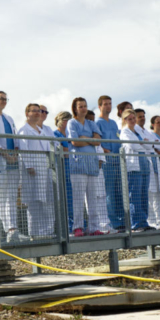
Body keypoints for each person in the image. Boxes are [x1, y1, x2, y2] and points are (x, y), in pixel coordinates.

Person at [67, 97, 110, 236]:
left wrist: (84, 139)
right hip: (78, 165)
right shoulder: (71, 123)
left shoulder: (91, 123)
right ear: (75, 109)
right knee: (78, 198)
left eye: (85, 106)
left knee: (93, 198)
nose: (83, 109)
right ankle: (78, 227)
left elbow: (98, 141)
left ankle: (93, 227)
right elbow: (74, 142)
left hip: (91, 166)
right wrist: (90, 140)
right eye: (80, 106)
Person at [0, 90, 26, 243]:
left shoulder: (9, 118)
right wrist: (7, 156)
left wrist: (16, 152)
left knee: (12, 197)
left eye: (6, 99)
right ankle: (4, 230)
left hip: (13, 162)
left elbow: (14, 136)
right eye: (1, 98)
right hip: (1, 160)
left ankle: (13, 229)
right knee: (1, 197)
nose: (3, 101)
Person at [17, 103, 55, 238]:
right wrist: (29, 166)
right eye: (34, 111)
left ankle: (46, 231)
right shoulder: (24, 130)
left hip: (44, 169)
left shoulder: (42, 130)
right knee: (33, 202)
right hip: (31, 171)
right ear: (27, 113)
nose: (37, 113)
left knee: (45, 201)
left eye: (38, 111)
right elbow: (23, 149)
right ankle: (34, 233)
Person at [119, 109, 153, 231]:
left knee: (144, 195)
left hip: (144, 165)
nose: (132, 121)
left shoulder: (138, 131)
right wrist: (143, 144)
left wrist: (142, 143)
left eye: (134, 118)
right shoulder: (124, 132)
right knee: (135, 196)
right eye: (129, 119)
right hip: (134, 168)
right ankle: (136, 224)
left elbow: (149, 146)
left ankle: (144, 222)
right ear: (124, 120)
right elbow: (133, 146)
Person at [95, 96, 125, 232]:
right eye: (105, 104)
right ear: (100, 106)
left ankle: (121, 220)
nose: (108, 106)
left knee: (119, 191)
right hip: (107, 162)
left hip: (117, 161)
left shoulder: (113, 123)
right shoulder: (98, 123)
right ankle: (112, 222)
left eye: (110, 104)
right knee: (110, 192)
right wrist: (106, 151)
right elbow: (98, 142)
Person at [138, 115, 160, 229]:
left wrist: (150, 143)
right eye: (139, 117)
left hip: (156, 165)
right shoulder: (136, 131)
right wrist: (151, 144)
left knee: (159, 194)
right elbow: (144, 144)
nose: (142, 118)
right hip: (147, 164)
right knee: (150, 195)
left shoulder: (148, 133)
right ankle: (152, 221)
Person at [54, 111, 74, 231]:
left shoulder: (70, 135)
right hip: (61, 170)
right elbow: (64, 151)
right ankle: (66, 227)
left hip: (72, 169)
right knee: (63, 199)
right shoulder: (55, 134)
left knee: (72, 200)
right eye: (67, 120)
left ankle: (74, 226)